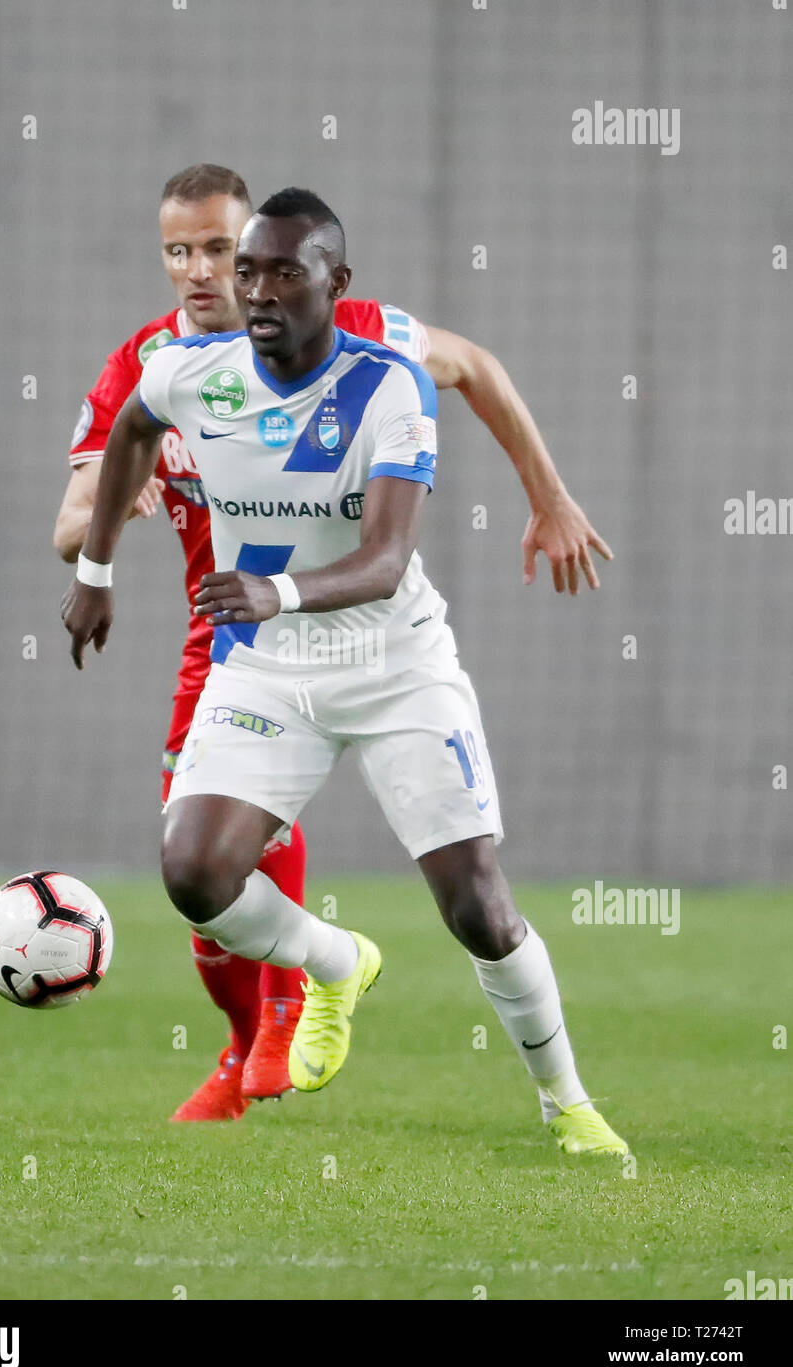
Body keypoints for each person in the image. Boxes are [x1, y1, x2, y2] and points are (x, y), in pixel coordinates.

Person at [61, 187, 629, 1157]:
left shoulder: (389, 382)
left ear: (337, 283)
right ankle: (336, 962)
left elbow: (385, 561)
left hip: (390, 658)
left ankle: (566, 1101)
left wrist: (274, 591)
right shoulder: (192, 371)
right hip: (267, 666)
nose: (257, 289)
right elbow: (129, 433)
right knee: (194, 872)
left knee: (477, 908)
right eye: (247, 272)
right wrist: (96, 569)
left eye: (283, 271)